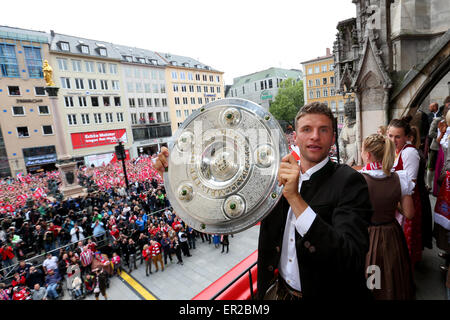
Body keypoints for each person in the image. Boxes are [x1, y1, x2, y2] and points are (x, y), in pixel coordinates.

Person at [154, 101, 373, 300]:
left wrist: (295, 198)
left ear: (333, 137)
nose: (315, 136)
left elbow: (350, 258)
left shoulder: (350, 181)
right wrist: (175, 170)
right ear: (295, 137)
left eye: (323, 130)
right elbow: (218, 189)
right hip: (279, 292)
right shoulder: (271, 174)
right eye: (307, 129)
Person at [359, 133, 415, 299]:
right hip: (392, 235)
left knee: (371, 279)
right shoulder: (400, 178)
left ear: (367, 154)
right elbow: (409, 213)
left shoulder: (358, 179)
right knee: (394, 277)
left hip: (367, 237)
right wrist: (393, 200)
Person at [388, 117, 433, 267]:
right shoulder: (395, 150)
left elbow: (410, 184)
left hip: (407, 201)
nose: (393, 140)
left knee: (406, 241)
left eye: (397, 136)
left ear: (407, 137)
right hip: (398, 199)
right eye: (390, 135)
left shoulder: (409, 153)